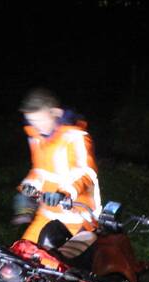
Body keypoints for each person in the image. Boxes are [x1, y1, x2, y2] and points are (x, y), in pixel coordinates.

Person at [15, 88, 100, 246]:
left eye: (40, 120)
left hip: (77, 218)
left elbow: (87, 173)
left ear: (55, 112)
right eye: (32, 122)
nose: (37, 126)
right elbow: (39, 171)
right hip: (46, 214)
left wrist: (64, 193)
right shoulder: (36, 138)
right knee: (21, 255)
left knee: (57, 266)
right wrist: (26, 189)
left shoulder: (76, 137)